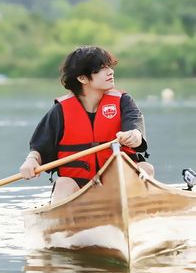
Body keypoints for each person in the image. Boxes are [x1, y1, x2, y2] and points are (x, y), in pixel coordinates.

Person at [20, 46, 154, 202]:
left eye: (109, 67)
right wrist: (30, 161)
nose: (110, 72)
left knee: (145, 168)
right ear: (82, 78)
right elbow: (38, 149)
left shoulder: (124, 101)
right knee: (63, 183)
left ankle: (138, 210)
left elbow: (135, 129)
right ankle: (64, 220)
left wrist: (134, 136)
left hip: (118, 185)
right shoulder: (60, 111)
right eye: (101, 69)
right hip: (79, 188)